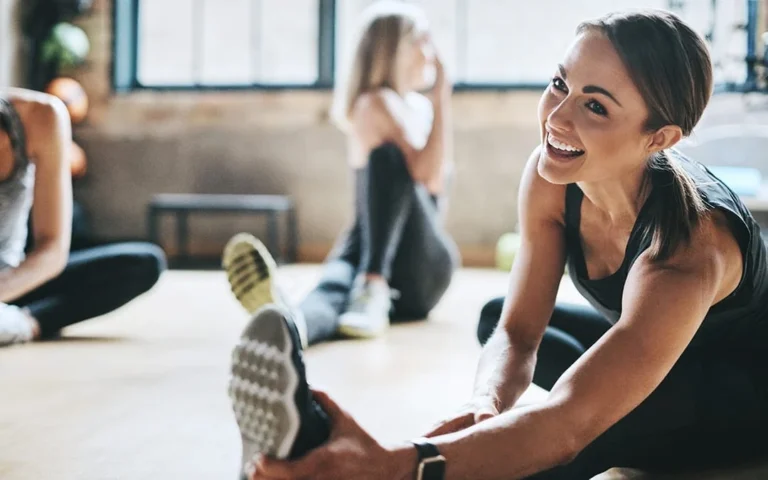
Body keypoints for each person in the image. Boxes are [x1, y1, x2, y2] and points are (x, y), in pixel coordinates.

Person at [238, 8, 768, 480]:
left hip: (743, 394)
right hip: (660, 354)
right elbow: (517, 332)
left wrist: (399, 463)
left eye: (596, 107)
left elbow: (565, 424)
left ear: (660, 138)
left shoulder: (689, 250)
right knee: (497, 322)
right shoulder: (553, 180)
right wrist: (484, 405)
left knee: (580, 432)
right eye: (560, 83)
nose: (557, 119)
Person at [224, 1, 458, 476]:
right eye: (422, 41)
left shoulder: (410, 107)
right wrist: (443, 95)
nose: (430, 52)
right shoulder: (375, 102)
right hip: (366, 247)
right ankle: (288, 325)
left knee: (388, 168)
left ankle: (371, 286)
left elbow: (430, 185)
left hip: (419, 268)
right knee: (330, 290)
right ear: (396, 49)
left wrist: (441, 97)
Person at [0, 88, 166, 347]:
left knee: (143, 263)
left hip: (16, 278)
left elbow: (52, 248)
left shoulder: (42, 115)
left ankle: (29, 323)